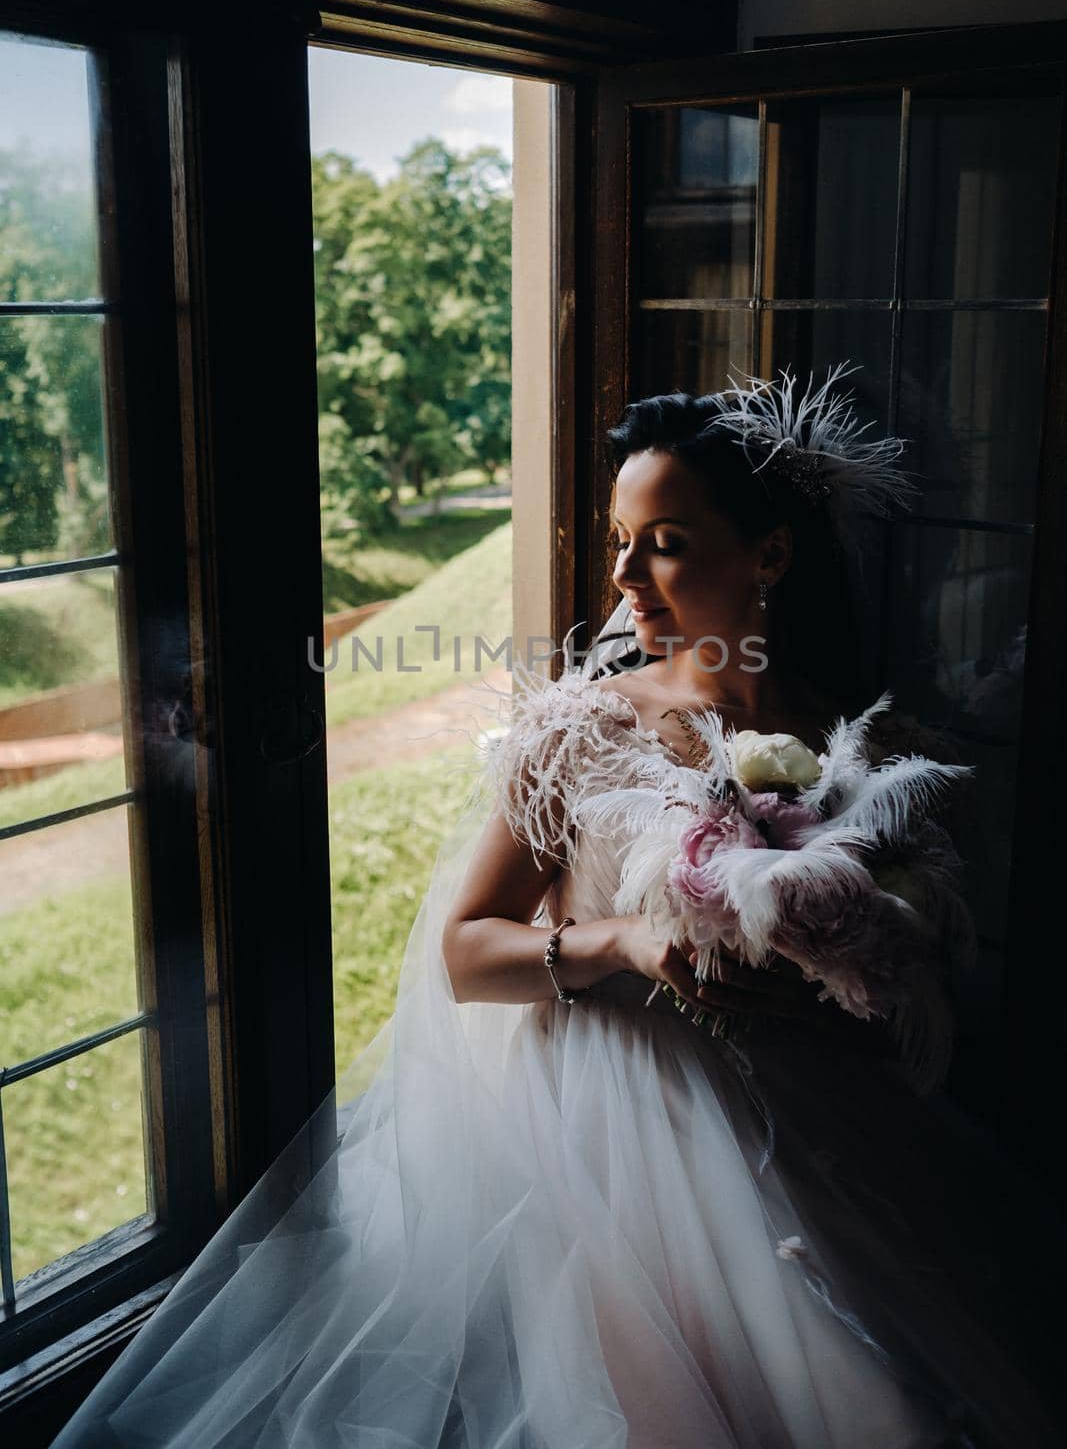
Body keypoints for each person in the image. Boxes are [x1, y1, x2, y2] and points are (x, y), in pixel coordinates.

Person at [50, 365, 1064, 1448]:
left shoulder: (860, 744)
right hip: (632, 1114)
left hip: (818, 1097)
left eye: (663, 539)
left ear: (768, 552)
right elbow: (463, 950)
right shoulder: (581, 729)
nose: (625, 571)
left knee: (912, 1392)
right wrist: (620, 941)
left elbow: (902, 963)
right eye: (619, 537)